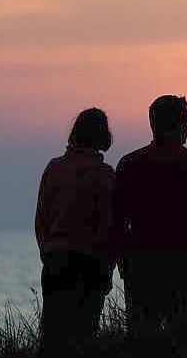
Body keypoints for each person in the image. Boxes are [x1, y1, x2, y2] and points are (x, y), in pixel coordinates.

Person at [114, 95, 187, 356]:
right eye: (186, 122)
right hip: (184, 264)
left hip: (142, 266)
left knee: (142, 343)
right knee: (186, 341)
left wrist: (122, 266)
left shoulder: (130, 164)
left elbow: (116, 224)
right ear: (181, 125)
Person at [34, 108, 117, 355]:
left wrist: (47, 252)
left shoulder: (54, 168)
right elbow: (109, 227)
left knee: (52, 336)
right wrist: (109, 266)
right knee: (84, 334)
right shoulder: (105, 175)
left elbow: (41, 219)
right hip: (90, 263)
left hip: (55, 260)